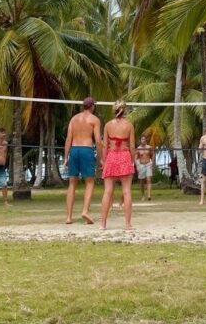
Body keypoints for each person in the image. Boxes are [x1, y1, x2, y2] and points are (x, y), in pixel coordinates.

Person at [64, 96, 102, 225]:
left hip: (74, 149)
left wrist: (65, 157)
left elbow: (68, 139)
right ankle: (85, 211)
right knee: (90, 182)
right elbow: (97, 140)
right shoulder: (94, 119)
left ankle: (69, 217)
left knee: (72, 184)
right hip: (86, 149)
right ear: (92, 106)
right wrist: (101, 158)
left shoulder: (73, 119)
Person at [100, 100, 136, 230]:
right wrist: (133, 160)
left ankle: (103, 224)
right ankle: (127, 224)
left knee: (107, 191)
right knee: (126, 191)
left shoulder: (108, 125)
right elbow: (132, 146)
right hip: (125, 156)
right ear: (124, 110)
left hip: (111, 156)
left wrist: (104, 161)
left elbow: (104, 146)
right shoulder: (129, 126)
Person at [135, 134, 154, 201]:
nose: (143, 140)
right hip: (141, 165)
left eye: (144, 139)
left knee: (148, 179)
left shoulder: (149, 147)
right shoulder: (138, 148)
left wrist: (152, 163)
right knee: (142, 181)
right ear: (140, 140)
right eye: (142, 139)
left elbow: (153, 154)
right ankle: (143, 195)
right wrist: (137, 166)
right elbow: (136, 158)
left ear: (146, 140)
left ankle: (149, 195)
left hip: (148, 164)